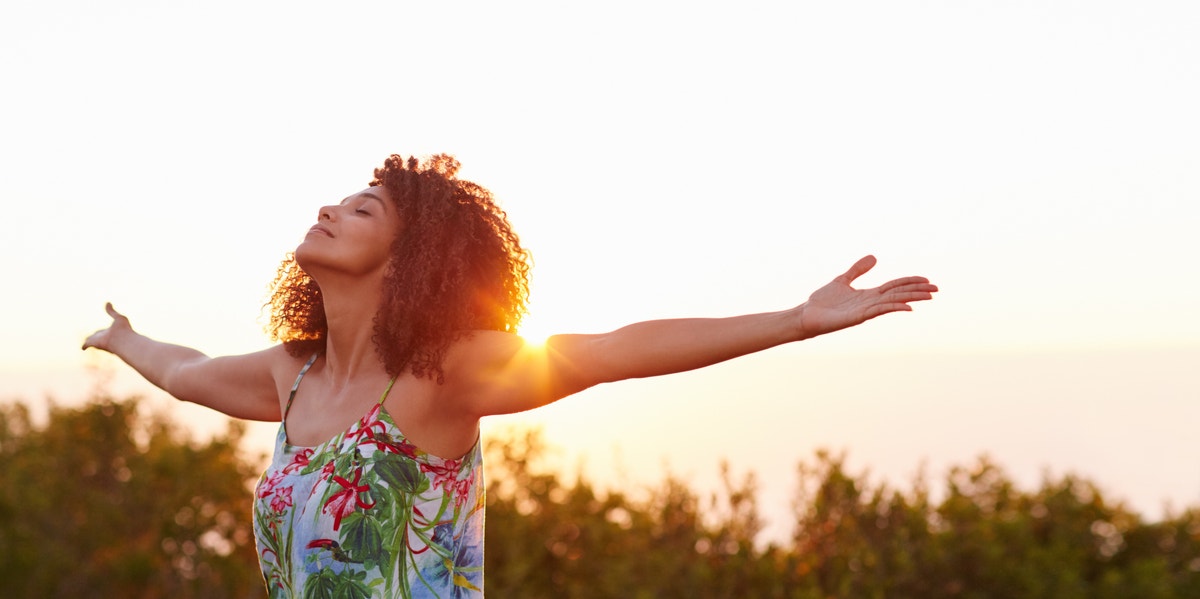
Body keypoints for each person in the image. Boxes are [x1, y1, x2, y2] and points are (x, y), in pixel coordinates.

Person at [83, 153, 937, 598]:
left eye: (362, 208)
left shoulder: (443, 373)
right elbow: (187, 372)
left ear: (408, 261)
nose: (329, 209)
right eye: (337, 201)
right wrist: (124, 339)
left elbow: (610, 350)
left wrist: (793, 320)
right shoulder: (291, 377)